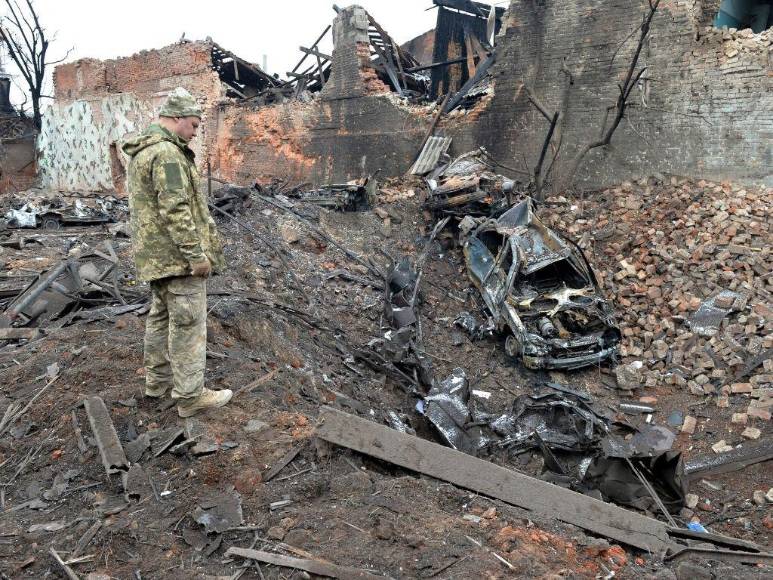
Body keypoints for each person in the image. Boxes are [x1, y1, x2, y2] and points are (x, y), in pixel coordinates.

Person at [122, 87, 233, 418]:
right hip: (177, 259)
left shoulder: (145, 151)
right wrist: (196, 255)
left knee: (161, 318)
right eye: (194, 126)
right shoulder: (168, 155)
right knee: (188, 323)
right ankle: (190, 396)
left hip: (157, 259)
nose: (196, 133)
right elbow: (175, 208)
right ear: (176, 119)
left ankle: (157, 384)